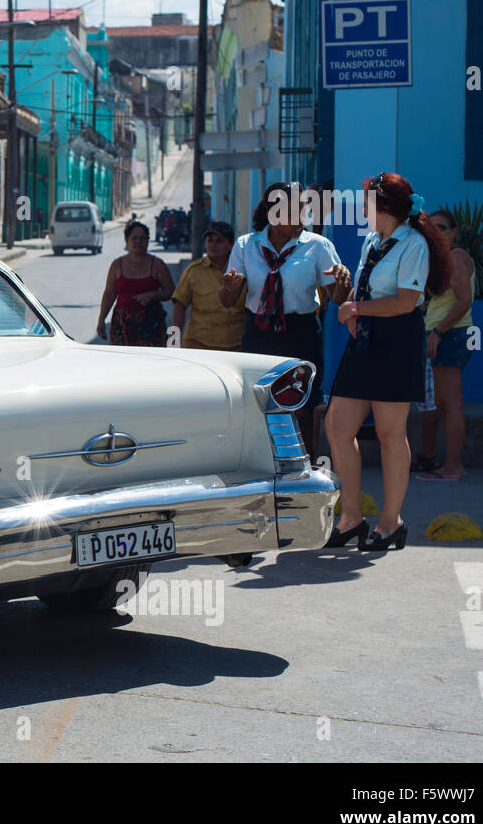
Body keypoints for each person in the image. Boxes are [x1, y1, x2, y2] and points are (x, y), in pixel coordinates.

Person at [325, 173, 454, 551]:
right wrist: (351, 305)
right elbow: (363, 291)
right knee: (337, 427)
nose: (362, 209)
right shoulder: (372, 240)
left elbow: (404, 301)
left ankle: (390, 522)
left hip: (397, 340)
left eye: (367, 202)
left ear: (386, 208)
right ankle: (350, 518)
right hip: (366, 340)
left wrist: (355, 308)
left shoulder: (413, 244)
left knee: (389, 434)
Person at [220, 181, 353, 456]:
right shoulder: (247, 246)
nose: (303, 217)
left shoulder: (318, 246)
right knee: (258, 403)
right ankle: (262, 463)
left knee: (302, 404)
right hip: (259, 332)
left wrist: (343, 282)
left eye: (305, 209)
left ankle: (306, 465)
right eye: (296, 210)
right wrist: (229, 288)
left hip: (300, 332)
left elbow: (339, 297)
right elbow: (227, 300)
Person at [415, 208, 476, 482]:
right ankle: (450, 465)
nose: (435, 232)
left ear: (453, 232)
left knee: (450, 404)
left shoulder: (456, 258)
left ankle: (453, 466)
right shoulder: (445, 259)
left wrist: (438, 332)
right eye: (432, 228)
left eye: (441, 228)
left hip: (450, 336)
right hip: (446, 335)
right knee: (443, 403)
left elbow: (464, 300)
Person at [97, 220, 174, 347]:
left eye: (143, 238)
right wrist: (101, 320)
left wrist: (152, 295)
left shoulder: (157, 264)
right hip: (121, 325)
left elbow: (171, 291)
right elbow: (109, 294)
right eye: (134, 238)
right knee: (122, 364)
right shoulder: (117, 265)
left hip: (151, 325)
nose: (138, 242)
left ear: (148, 241)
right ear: (126, 240)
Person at [171, 221, 245, 351]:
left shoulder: (241, 271)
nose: (213, 245)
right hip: (198, 345)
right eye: (210, 240)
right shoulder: (194, 270)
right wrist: (173, 341)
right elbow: (179, 306)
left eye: (219, 241)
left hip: (235, 346)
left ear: (231, 245)